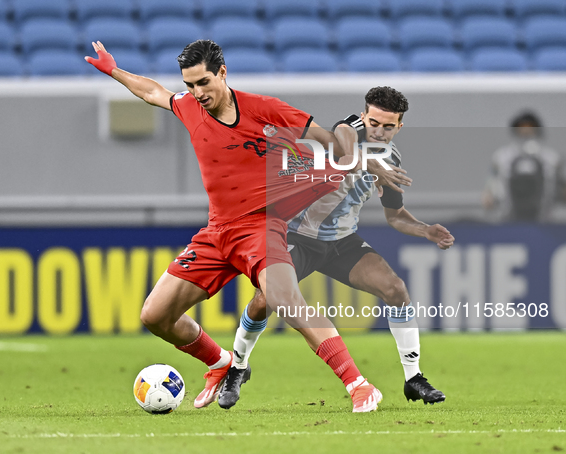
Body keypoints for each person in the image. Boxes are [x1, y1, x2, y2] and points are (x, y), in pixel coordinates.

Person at [85, 40, 412, 413]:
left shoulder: (265, 109)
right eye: (190, 85)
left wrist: (365, 162)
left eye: (204, 82)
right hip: (216, 231)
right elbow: (153, 92)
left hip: (260, 226)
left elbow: (331, 143)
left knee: (286, 300)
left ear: (223, 73)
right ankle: (221, 363)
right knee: (155, 316)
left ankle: (358, 384)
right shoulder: (189, 106)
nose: (197, 93)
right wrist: (114, 70)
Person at [219, 86, 454, 409]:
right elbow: (345, 144)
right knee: (264, 300)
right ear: (363, 116)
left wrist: (425, 230)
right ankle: (237, 367)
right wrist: (369, 162)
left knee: (396, 289)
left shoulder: (393, 159)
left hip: (341, 242)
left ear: (399, 127)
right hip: (297, 235)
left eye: (388, 126)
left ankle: (413, 379)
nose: (379, 131)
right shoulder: (346, 131)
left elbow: (396, 216)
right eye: (374, 122)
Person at [482, 111, 566, 222]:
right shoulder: (501, 157)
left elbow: (560, 187)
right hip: (509, 219)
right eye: (522, 127)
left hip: (544, 221)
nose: (526, 131)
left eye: (530, 127)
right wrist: (488, 194)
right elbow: (492, 181)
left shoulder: (551, 158)